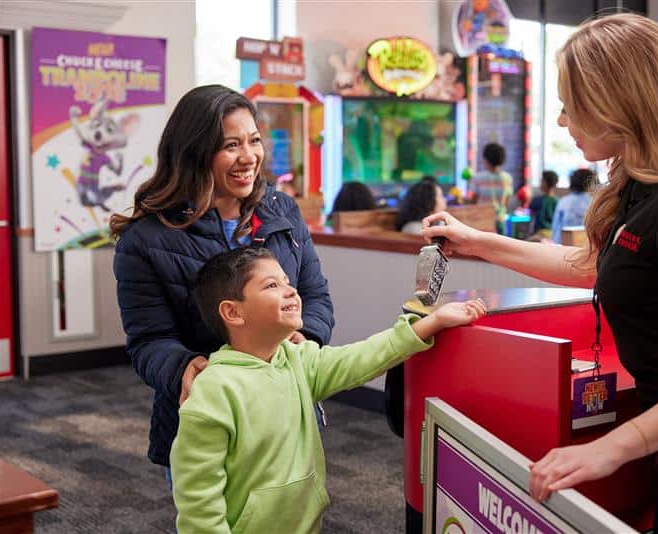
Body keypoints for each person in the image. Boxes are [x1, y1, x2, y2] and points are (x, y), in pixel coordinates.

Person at [422, 14, 658, 533]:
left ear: (618, 103)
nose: (560, 123)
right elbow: (596, 267)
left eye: (571, 106)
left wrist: (611, 450)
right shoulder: (642, 185)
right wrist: (478, 242)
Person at [171, 246, 486, 532]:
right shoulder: (214, 390)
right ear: (233, 312)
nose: (291, 291)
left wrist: (429, 323)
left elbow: (359, 359)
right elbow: (199, 502)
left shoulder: (298, 360)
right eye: (271, 285)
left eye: (286, 281)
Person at [110, 85, 335, 483]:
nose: (249, 157)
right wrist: (184, 366)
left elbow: (314, 294)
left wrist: (308, 338)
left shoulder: (282, 211)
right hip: (206, 423)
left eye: (254, 141)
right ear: (195, 152)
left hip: (287, 413)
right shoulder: (145, 239)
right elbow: (148, 341)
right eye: (231, 145)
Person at [470, 142, 513, 231]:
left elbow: (473, 202)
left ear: (486, 159)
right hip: (500, 221)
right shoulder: (508, 178)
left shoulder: (478, 178)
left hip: (482, 223)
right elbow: (506, 202)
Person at [550, 168, 595, 243]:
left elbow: (555, 229)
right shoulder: (593, 202)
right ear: (590, 183)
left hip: (564, 246)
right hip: (587, 246)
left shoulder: (563, 202)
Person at [528, 170, 559, 236]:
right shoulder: (558, 201)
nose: (540, 183)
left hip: (540, 233)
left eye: (542, 181)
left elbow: (531, 215)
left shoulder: (537, 200)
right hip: (553, 234)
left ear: (546, 183)